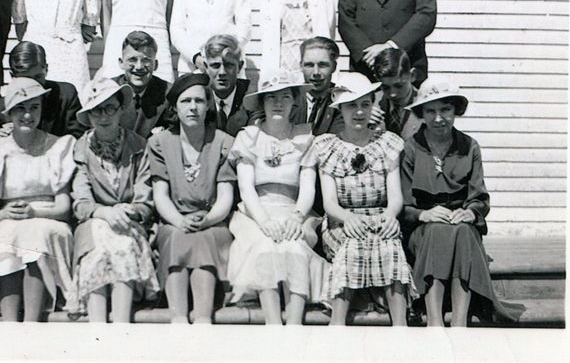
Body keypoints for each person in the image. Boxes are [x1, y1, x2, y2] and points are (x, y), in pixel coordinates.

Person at [401, 80, 524, 326]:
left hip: (460, 223)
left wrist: (470, 213)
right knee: (437, 231)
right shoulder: (410, 148)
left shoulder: (469, 146)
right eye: (430, 111)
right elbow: (403, 205)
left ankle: (459, 322)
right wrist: (423, 215)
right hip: (424, 228)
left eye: (445, 110)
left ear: (456, 110)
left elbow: (479, 198)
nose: (438, 118)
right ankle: (434, 321)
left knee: (464, 233)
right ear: (421, 114)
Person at [314, 72, 417, 326]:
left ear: (373, 105)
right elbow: (329, 203)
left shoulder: (387, 144)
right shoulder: (327, 146)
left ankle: (400, 325)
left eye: (364, 104)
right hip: (342, 220)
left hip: (380, 216)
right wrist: (348, 218)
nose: (359, 112)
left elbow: (395, 198)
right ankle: (337, 324)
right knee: (353, 244)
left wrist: (389, 217)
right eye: (351, 106)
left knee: (390, 244)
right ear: (340, 109)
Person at [226, 70, 326, 325]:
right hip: (255, 213)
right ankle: (273, 325)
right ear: (262, 103)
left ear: (294, 101)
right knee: (266, 248)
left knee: (294, 248)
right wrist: (264, 221)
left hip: (293, 210)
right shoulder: (248, 137)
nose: (278, 103)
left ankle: (294, 326)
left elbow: (308, 188)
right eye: (271, 98)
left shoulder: (304, 138)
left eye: (284, 97)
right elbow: (247, 188)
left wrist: (297, 217)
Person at [0, 77, 78, 321]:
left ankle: (32, 323)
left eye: (34, 108)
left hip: (48, 218)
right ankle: (11, 322)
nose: (27, 115)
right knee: (7, 234)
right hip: (9, 220)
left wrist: (34, 213)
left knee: (36, 234)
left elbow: (64, 207)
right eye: (20, 108)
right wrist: (4, 214)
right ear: (10, 112)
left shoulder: (57, 147)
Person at [148, 74, 236, 324]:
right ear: (175, 107)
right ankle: (178, 318)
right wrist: (179, 221)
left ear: (208, 104)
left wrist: (207, 220)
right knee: (177, 237)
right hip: (174, 221)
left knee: (204, 238)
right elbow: (160, 194)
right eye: (186, 101)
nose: (193, 107)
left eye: (199, 100)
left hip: (214, 224)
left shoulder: (223, 142)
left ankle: (202, 319)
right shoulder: (160, 143)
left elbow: (225, 197)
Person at [71, 76, 160, 323]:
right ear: (88, 116)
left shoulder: (139, 147)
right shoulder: (80, 149)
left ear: (121, 110)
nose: (104, 116)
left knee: (121, 243)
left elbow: (145, 201)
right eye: (96, 110)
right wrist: (104, 213)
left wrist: (125, 211)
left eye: (110, 108)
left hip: (130, 225)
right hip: (94, 224)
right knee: (97, 243)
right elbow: (81, 201)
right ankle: (97, 326)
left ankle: (121, 326)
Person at [0, 41, 85, 139]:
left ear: (46, 69)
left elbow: (79, 136)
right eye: (27, 79)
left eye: (38, 77)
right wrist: (3, 141)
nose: (34, 84)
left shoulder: (65, 95)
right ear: (12, 76)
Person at [110, 31, 172, 138]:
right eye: (132, 60)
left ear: (155, 65)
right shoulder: (109, 91)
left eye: (146, 60)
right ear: (121, 63)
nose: (139, 67)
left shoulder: (168, 94)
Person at [290, 36, 344, 136]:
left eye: (322, 65)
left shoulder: (343, 102)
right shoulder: (288, 99)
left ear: (334, 66)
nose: (316, 72)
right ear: (301, 66)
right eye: (309, 65)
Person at [202, 34, 252, 136]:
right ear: (206, 67)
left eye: (229, 65)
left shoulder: (250, 98)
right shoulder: (197, 97)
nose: (222, 72)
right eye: (215, 66)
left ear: (240, 66)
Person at [373, 48, 422, 140]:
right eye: (386, 87)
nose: (393, 94)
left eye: (399, 86)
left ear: (412, 75)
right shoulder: (369, 105)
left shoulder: (426, 106)